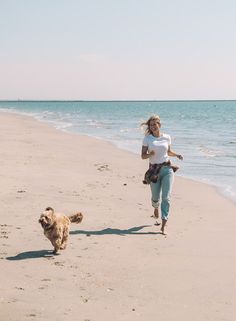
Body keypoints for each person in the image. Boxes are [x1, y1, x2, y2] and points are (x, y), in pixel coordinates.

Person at [141, 115, 183, 235]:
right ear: (149, 126)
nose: (154, 126)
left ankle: (164, 224)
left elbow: (168, 151)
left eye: (155, 124)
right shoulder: (147, 139)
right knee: (155, 197)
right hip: (154, 171)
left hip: (167, 169)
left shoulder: (167, 137)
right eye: (151, 125)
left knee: (166, 197)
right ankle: (155, 206)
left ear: (160, 125)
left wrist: (177, 155)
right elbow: (143, 156)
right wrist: (150, 154)